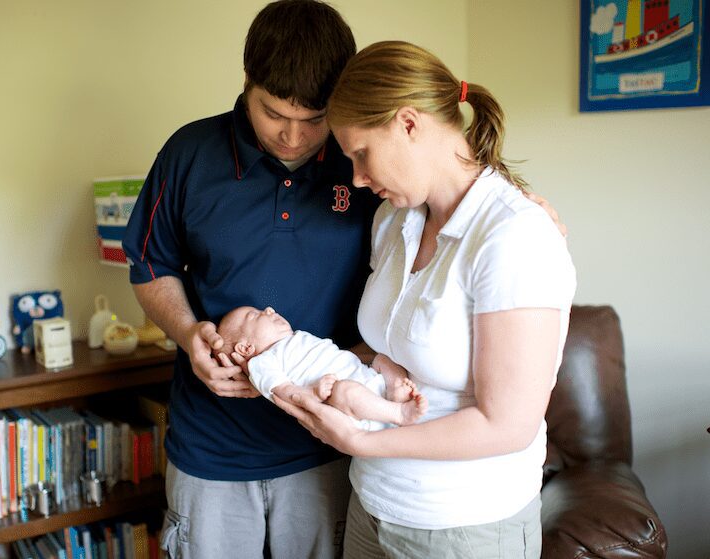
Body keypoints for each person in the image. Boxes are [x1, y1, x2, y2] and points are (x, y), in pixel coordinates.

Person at [273, 40, 577, 558]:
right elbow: (394, 346)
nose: (357, 179)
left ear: (408, 124)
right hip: (374, 504)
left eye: (362, 155)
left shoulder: (514, 235)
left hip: (466, 527)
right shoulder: (393, 220)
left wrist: (361, 441)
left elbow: (507, 425)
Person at [121, 2, 379, 557]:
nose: (293, 136)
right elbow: (150, 267)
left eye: (314, 118)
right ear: (246, 82)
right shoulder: (188, 154)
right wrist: (190, 335)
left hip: (325, 446)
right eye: (273, 113)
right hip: (210, 453)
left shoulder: (361, 162)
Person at [216, 305, 428, 430]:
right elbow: (283, 391)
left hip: (366, 378)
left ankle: (394, 391)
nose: (269, 310)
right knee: (345, 391)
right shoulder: (261, 363)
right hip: (349, 404)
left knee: (383, 358)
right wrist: (310, 393)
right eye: (254, 315)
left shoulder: (295, 339)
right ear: (245, 348)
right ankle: (399, 413)